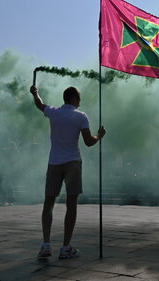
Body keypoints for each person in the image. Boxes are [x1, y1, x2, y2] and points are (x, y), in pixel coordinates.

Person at [30, 85, 105, 260]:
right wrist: (99, 135)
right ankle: (65, 247)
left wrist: (35, 93)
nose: (80, 102)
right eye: (79, 98)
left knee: (48, 203)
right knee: (71, 205)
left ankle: (46, 245)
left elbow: (39, 104)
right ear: (73, 99)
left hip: (54, 162)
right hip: (72, 162)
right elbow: (88, 142)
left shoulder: (54, 112)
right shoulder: (80, 116)